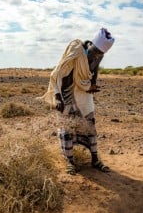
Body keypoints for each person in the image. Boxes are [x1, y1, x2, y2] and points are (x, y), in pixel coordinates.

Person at [39, 28, 114, 175]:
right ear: (91, 44)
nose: (96, 55)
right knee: (67, 129)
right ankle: (70, 162)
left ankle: (95, 160)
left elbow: (94, 70)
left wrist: (92, 85)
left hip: (84, 96)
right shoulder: (76, 51)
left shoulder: (98, 56)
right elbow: (56, 74)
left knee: (89, 127)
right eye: (95, 51)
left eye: (100, 53)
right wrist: (58, 97)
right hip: (66, 95)